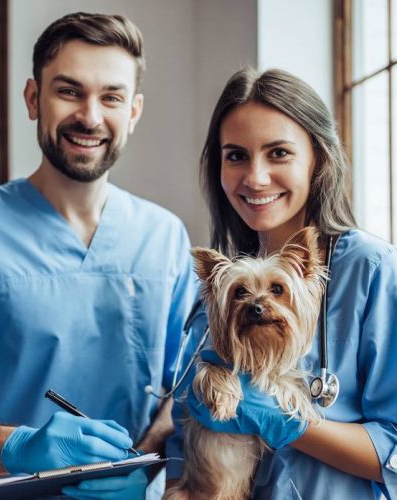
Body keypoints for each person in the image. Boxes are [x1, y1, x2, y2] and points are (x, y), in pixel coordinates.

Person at [0, 12, 197, 499]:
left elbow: (185, 396)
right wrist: (18, 447)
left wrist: (144, 464)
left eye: (112, 97)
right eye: (69, 91)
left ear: (134, 112)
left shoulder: (164, 237)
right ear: (34, 98)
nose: (91, 116)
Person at [165, 68, 397, 499]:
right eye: (235, 155)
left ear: (319, 158)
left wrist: (284, 420)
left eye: (278, 153)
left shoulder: (372, 270)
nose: (254, 177)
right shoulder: (219, 293)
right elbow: (186, 452)